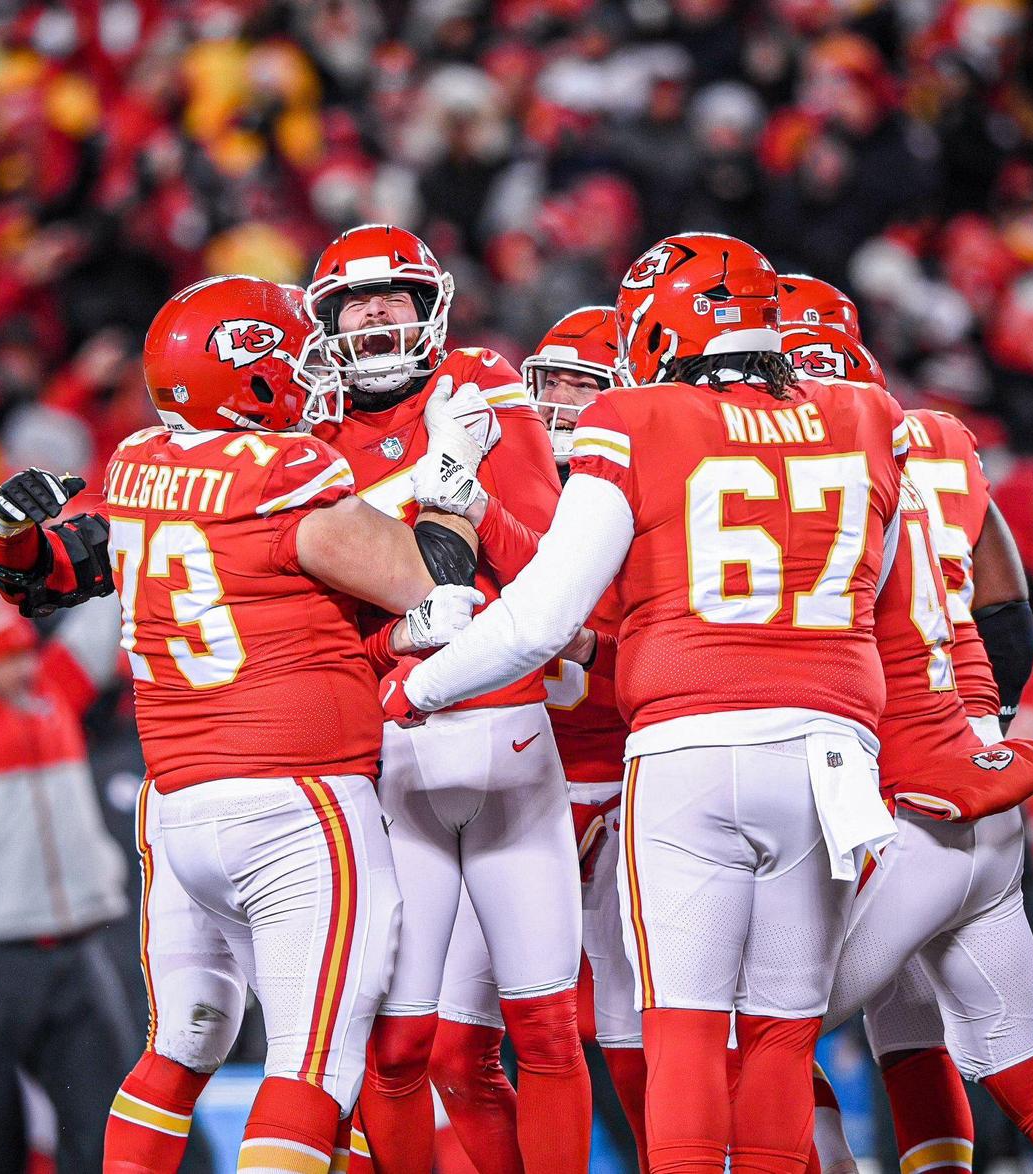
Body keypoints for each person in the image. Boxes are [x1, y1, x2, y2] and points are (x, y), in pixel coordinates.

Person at [380, 232, 909, 1172]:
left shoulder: (638, 417)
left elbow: (541, 617)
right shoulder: (869, 414)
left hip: (692, 752)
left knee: (685, 1034)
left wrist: (416, 687)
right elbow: (885, 598)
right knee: (784, 1041)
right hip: (831, 753)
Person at [0, 274, 482, 1174]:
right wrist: (452, 474)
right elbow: (429, 575)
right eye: (289, 355)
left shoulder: (138, 465)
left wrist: (10, 538)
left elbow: (44, 577)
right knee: (313, 1065)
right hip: (298, 807)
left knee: (180, 1046)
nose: (308, 371)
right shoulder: (285, 473)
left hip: (177, 811)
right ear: (248, 375)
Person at [302, 224, 593, 1173]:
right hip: (389, 753)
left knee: (547, 1032)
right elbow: (328, 612)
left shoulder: (475, 382)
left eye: (390, 294)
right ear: (326, 320)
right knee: (399, 1049)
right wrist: (425, 489)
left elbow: (550, 574)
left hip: (509, 733)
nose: (373, 311)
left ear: (430, 305)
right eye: (351, 300)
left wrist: (461, 498)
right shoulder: (304, 437)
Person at [778, 275, 1033, 1173]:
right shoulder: (939, 437)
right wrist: (980, 718)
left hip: (899, 799)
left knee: (754, 1033)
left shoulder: (801, 456)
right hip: (978, 777)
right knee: (1000, 1062)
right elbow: (1008, 609)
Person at [421, 307, 649, 1171]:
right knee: (451, 1050)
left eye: (582, 388)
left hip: (618, 790)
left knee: (634, 1051)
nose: (556, 407)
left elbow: (641, 661)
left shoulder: (645, 505)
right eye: (546, 385)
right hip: (518, 788)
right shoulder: (496, 486)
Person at [0, 578, 133, 1174]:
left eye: (25, 649)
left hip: (76, 947)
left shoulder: (52, 694)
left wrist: (127, 537)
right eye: (6, 655)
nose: (25, 663)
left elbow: (102, 626)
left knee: (110, 1123)